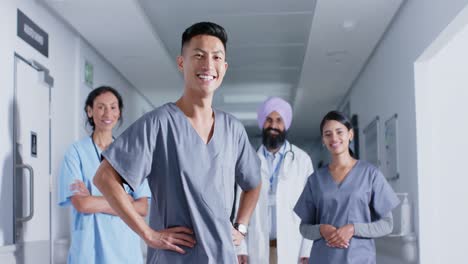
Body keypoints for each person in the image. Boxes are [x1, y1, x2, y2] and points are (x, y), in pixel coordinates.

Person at [92, 22, 262, 263]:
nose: (208, 65)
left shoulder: (233, 129)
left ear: (224, 68)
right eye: (199, 55)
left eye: (216, 57)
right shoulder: (159, 124)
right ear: (182, 62)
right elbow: (104, 178)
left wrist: (241, 227)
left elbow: (253, 183)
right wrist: (148, 234)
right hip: (175, 257)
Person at [58, 86, 151, 264]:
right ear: (90, 111)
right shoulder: (75, 152)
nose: (107, 113)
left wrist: (94, 200)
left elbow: (142, 208)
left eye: (113, 107)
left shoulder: (131, 154)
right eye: (100, 107)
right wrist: (125, 200)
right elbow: (82, 204)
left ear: (119, 112)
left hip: (125, 250)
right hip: (89, 250)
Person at [294, 110, 400, 264]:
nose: (334, 138)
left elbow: (387, 224)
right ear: (323, 140)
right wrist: (321, 229)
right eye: (328, 134)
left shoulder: (370, 174)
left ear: (350, 134)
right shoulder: (315, 180)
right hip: (323, 259)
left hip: (359, 259)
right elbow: (304, 228)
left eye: (339, 132)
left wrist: (353, 229)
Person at [236, 97, 313, 264]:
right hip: (258, 247)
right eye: (268, 120)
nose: (273, 126)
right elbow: (239, 206)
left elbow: (312, 208)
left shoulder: (302, 160)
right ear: (262, 124)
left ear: (286, 125)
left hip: (293, 246)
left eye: (279, 120)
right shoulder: (248, 160)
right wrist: (240, 248)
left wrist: (307, 250)